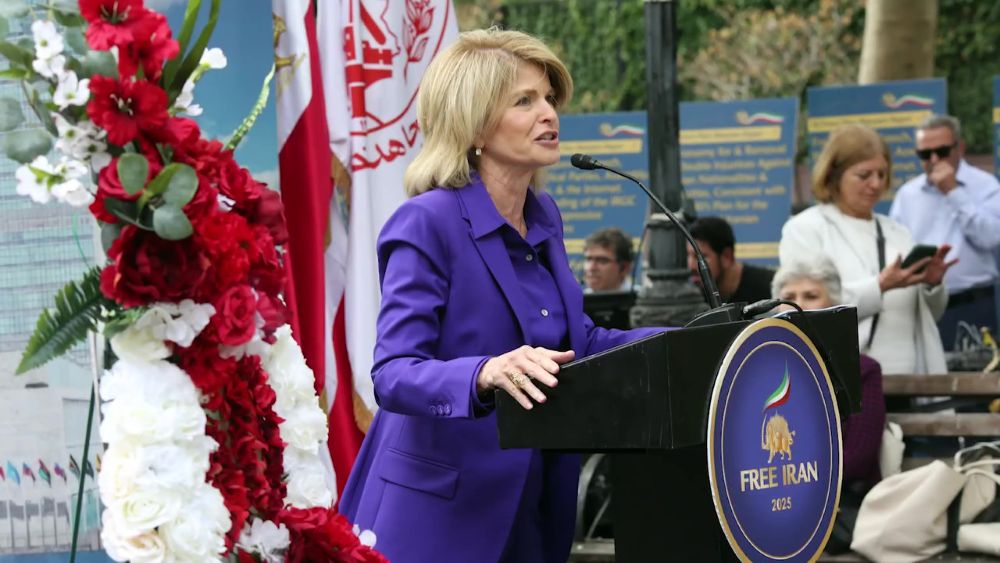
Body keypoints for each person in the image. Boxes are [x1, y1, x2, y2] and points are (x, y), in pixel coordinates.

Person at [338, 29, 665, 563]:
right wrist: (483, 373)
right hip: (439, 515)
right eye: (524, 100)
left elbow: (576, 342)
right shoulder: (426, 223)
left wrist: (697, 339)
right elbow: (392, 374)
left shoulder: (544, 218)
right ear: (476, 127)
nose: (549, 114)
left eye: (549, 99)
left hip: (531, 506)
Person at [779, 124, 955, 375]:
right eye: (864, 175)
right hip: (847, 380)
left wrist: (931, 285)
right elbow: (805, 312)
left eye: (882, 175)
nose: (876, 184)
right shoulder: (805, 229)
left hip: (910, 379)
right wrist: (880, 286)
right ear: (834, 175)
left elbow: (928, 316)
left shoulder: (897, 232)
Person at [889, 114, 1000, 349]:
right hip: (922, 303)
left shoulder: (986, 186)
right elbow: (895, 248)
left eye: (942, 151)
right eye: (925, 155)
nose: (934, 159)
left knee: (977, 377)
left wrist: (953, 191)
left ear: (960, 148)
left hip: (973, 303)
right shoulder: (908, 194)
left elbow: (991, 237)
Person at [772, 259, 885, 489]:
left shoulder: (863, 371)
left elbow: (857, 459)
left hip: (844, 503)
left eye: (811, 296)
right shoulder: (765, 373)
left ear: (834, 305)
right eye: (789, 298)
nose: (798, 306)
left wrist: (787, 479)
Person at [687, 215, 774, 303]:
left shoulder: (771, 289)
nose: (691, 266)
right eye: (688, 255)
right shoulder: (691, 296)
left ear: (726, 257)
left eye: (700, 257)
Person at [583, 227, 633, 292]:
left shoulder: (644, 300)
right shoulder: (575, 300)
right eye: (588, 259)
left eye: (602, 261)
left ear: (624, 268)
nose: (591, 267)